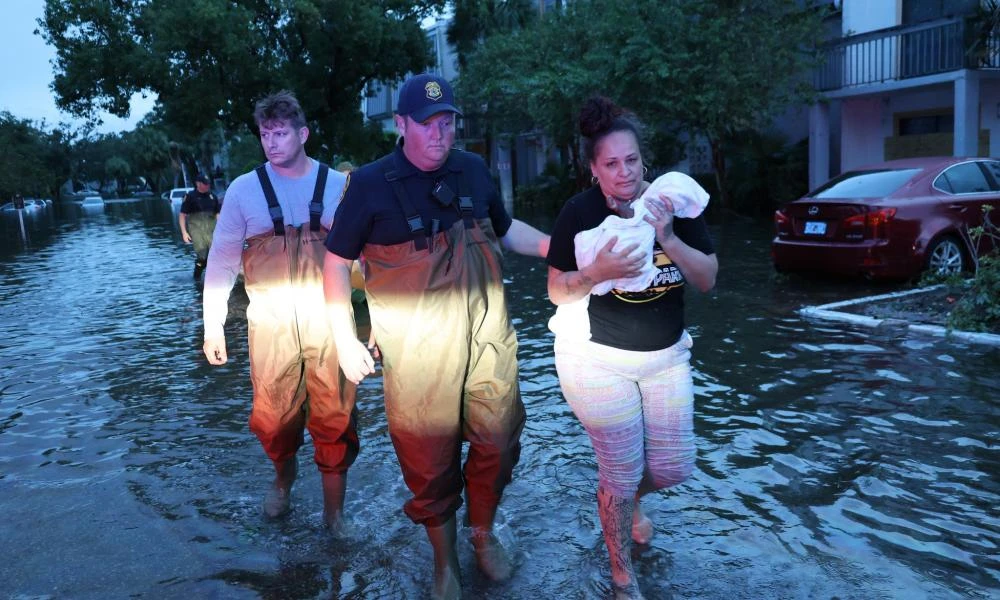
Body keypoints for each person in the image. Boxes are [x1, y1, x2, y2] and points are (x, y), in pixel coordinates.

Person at [322, 73, 549, 599]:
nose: (440, 133)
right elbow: (335, 265)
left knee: (499, 439)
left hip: (488, 337)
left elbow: (507, 229)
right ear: (400, 125)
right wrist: (344, 337)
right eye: (427, 124)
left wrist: (565, 249)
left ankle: (482, 534)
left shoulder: (472, 168)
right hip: (419, 352)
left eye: (447, 122)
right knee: (429, 459)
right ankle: (445, 562)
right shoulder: (371, 185)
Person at [546, 96, 718, 600]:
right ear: (594, 170)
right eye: (611, 164)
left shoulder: (670, 203)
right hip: (599, 361)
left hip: (666, 359)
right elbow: (557, 289)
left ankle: (617, 499)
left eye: (632, 161)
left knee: (673, 467)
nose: (624, 173)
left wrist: (667, 234)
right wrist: (598, 272)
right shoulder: (578, 212)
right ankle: (623, 579)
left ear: (645, 160)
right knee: (622, 472)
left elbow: (707, 279)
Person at [201, 90, 358, 532]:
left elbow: (368, 260)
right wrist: (213, 326)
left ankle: (334, 514)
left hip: (330, 325)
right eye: (265, 134)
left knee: (336, 419)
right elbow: (222, 261)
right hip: (269, 328)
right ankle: (282, 478)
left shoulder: (338, 186)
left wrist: (377, 326)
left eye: (281, 133)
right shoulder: (243, 191)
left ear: (303, 134)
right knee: (273, 420)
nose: (271, 142)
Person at [179, 172, 221, 281]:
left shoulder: (213, 197)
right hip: (196, 229)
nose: (207, 186)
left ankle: (215, 278)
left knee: (216, 255)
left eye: (208, 183)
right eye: (205, 183)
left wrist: (223, 229)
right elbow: (182, 215)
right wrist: (184, 232)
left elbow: (217, 214)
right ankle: (196, 278)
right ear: (198, 183)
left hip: (211, 230)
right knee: (202, 256)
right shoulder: (190, 197)